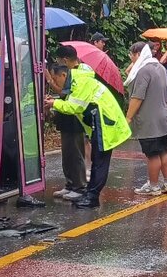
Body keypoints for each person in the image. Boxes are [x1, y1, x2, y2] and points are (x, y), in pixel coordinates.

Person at [44, 61, 130, 208]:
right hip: (101, 121)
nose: (55, 82)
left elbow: (74, 106)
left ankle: (92, 197)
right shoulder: (77, 80)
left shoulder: (80, 82)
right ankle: (90, 193)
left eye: (55, 78)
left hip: (105, 122)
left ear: (63, 74)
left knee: (100, 161)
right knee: (98, 159)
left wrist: (54, 104)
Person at [125, 41, 167, 195]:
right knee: (163, 151)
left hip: (149, 120)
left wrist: (128, 117)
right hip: (163, 117)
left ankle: (153, 186)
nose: (131, 58)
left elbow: (137, 97)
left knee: (152, 154)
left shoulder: (143, 71)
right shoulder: (159, 67)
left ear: (138, 54)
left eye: (132, 55)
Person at [49, 45, 95, 200]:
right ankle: (70, 184)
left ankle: (79, 186)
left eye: (59, 60)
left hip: (75, 117)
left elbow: (65, 94)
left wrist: (50, 81)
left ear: (65, 60)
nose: (58, 62)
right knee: (67, 153)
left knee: (75, 153)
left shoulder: (77, 75)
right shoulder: (77, 71)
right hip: (66, 116)